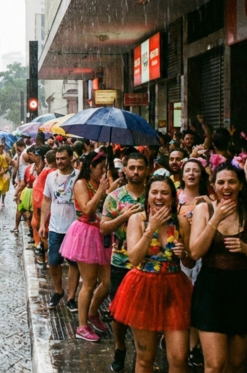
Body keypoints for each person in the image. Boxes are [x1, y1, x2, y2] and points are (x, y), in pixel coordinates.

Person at [189, 163, 247, 373]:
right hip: (211, 289)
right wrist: (215, 219)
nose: (226, 187)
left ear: (240, 184)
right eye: (221, 182)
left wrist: (246, 249)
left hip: (243, 289)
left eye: (232, 181)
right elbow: (195, 252)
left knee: (236, 364)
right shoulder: (203, 210)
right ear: (213, 186)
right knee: (215, 365)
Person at [109, 176, 194, 373]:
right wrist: (151, 229)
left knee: (179, 358)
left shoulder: (181, 222)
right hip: (143, 289)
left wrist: (185, 254)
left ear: (173, 197)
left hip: (175, 289)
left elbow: (190, 261)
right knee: (146, 358)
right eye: (154, 192)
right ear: (147, 197)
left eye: (164, 193)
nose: (159, 197)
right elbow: (135, 258)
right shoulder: (137, 219)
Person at [100, 152, 148, 372]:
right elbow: (103, 227)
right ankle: (120, 348)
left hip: (148, 264)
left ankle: (143, 353)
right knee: (118, 312)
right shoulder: (115, 197)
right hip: (121, 262)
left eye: (140, 167)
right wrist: (123, 217)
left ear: (147, 169)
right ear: (125, 170)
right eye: (132, 167)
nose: (136, 171)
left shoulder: (154, 195)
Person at [59, 151, 112, 341]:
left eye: (105, 168)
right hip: (86, 234)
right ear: (91, 167)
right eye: (100, 168)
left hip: (102, 232)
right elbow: (87, 208)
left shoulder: (99, 183)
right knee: (88, 283)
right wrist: (100, 191)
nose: (103, 172)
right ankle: (82, 326)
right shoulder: (81, 183)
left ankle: (93, 312)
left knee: (107, 281)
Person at [39, 145, 80, 310]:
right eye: (57, 159)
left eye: (63, 158)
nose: (60, 162)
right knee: (53, 261)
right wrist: (43, 223)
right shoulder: (51, 177)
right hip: (56, 227)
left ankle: (71, 297)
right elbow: (46, 200)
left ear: (71, 158)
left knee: (74, 263)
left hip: (75, 228)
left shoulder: (79, 176)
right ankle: (58, 291)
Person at [177, 158, 210, 367]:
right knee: (181, 300)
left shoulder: (209, 200)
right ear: (181, 175)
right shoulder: (175, 199)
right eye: (187, 170)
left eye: (195, 170)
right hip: (179, 254)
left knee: (197, 300)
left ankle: (193, 346)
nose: (191, 174)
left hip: (202, 257)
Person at [31, 147, 54, 264]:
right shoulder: (50, 172)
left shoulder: (48, 171)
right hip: (43, 203)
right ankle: (45, 256)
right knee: (44, 231)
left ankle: (45, 256)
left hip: (41, 203)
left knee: (43, 231)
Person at [13, 147, 35, 234]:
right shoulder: (29, 168)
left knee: (27, 212)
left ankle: (31, 230)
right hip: (27, 190)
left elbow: (24, 183)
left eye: (30, 155)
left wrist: (16, 192)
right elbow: (24, 182)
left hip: (30, 191)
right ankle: (27, 229)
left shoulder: (33, 168)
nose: (27, 157)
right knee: (23, 210)